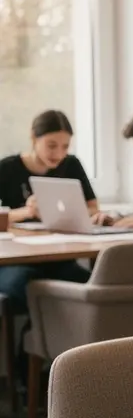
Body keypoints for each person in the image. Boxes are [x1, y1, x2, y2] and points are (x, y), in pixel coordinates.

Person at [0, 110, 96, 310]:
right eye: (51, 146)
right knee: (19, 284)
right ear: (34, 138)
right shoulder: (7, 168)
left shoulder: (71, 165)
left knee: (91, 285)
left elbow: (93, 208)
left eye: (65, 147)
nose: (59, 154)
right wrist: (27, 212)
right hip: (16, 258)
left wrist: (69, 211)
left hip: (57, 256)